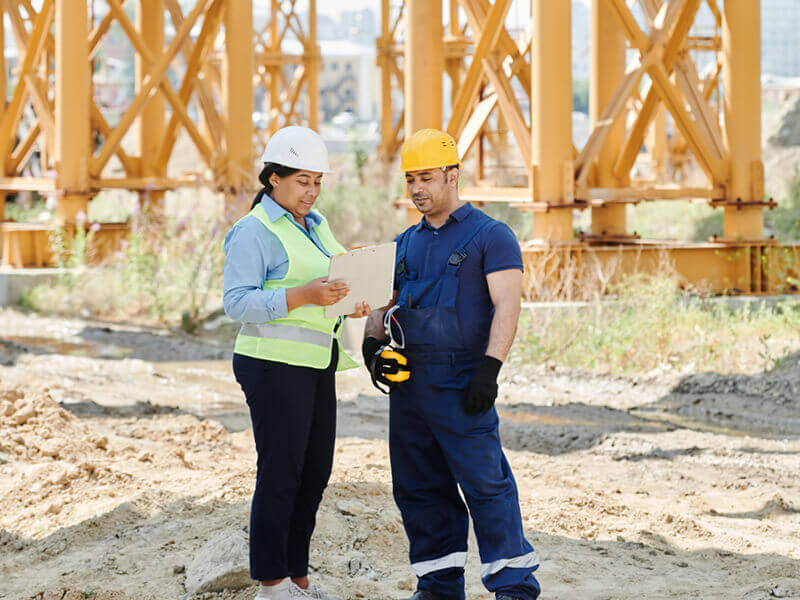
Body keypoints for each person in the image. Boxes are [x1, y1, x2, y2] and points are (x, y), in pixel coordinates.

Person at [363, 129, 541, 600]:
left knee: (486, 485)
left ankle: (514, 586)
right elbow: (381, 304)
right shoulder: (404, 243)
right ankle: (438, 586)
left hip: (463, 384)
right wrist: (372, 347)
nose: (417, 188)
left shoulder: (491, 236)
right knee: (419, 487)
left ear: (452, 175)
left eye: (426, 177)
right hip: (410, 389)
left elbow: (508, 305)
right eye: (410, 179)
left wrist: (490, 370)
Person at [224, 126, 370, 600]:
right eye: (303, 181)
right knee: (281, 473)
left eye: (317, 182)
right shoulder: (254, 231)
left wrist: (352, 300)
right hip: (271, 364)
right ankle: (272, 583)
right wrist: (302, 295)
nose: (312, 191)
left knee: (314, 472)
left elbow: (332, 279)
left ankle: (297, 577)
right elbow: (237, 303)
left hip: (315, 361)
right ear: (274, 178)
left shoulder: (316, 225)